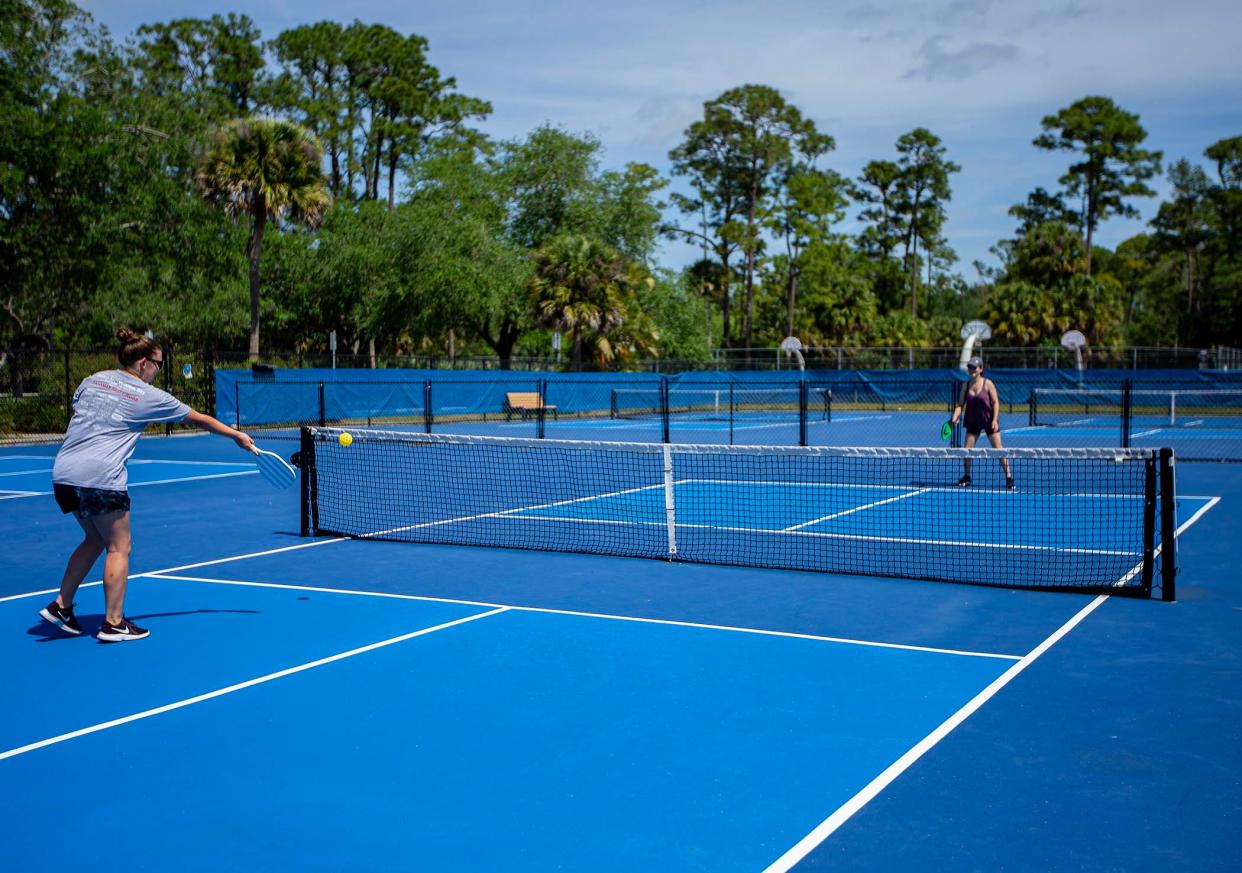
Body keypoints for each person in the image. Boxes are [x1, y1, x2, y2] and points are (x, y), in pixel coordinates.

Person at [39, 328, 256, 642]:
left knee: (94, 539)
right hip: (101, 477)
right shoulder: (147, 395)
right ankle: (113, 623)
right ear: (143, 362)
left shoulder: (92, 380)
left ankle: (62, 606)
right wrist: (236, 435)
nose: (158, 371)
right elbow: (199, 418)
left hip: (64, 473)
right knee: (119, 547)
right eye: (159, 364)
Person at [950, 356, 1014, 489]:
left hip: (989, 420)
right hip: (973, 421)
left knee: (998, 449)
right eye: (969, 367)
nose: (971, 369)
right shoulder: (966, 385)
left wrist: (995, 420)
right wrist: (954, 418)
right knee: (967, 450)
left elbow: (996, 403)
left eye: (974, 367)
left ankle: (1009, 477)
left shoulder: (988, 384)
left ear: (981, 369)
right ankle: (967, 476)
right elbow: (960, 405)